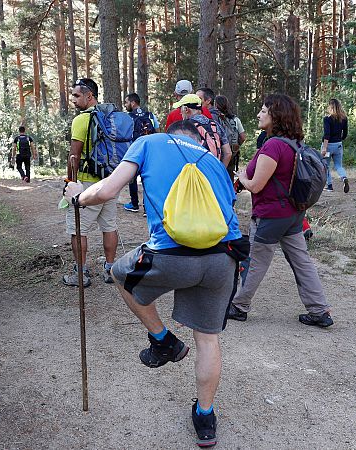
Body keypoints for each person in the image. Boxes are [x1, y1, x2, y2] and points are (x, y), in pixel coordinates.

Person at [64, 120, 243, 448]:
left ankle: (163, 341)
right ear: (196, 138)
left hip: (171, 254)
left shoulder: (150, 142)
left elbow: (106, 190)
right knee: (207, 340)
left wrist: (78, 196)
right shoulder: (213, 162)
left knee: (119, 274)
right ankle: (205, 417)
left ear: (173, 134)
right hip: (223, 259)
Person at [228, 93, 333, 327]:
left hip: (271, 216)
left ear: (275, 116)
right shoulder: (296, 143)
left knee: (255, 261)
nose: (258, 114)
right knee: (302, 261)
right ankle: (319, 310)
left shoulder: (273, 146)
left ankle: (239, 306)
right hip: (294, 214)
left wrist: (242, 177)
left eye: (263, 111)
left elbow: (255, 185)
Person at [63, 78, 119, 287]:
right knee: (109, 226)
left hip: (87, 184)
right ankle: (110, 269)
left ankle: (81, 274)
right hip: (110, 182)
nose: (73, 99)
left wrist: (70, 182)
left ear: (90, 96)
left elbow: (74, 156)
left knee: (78, 229)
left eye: (77, 95)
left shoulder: (82, 120)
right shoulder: (111, 117)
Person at [123, 92, 159, 213]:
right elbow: (157, 131)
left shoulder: (128, 117)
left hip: (135, 151)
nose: (125, 105)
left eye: (126, 102)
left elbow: (125, 135)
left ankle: (134, 204)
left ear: (133, 103)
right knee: (147, 179)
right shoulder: (150, 115)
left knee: (132, 177)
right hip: (150, 151)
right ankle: (146, 208)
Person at [175, 94, 233, 169]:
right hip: (213, 172)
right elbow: (228, 153)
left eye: (180, 109)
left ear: (186, 109)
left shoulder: (185, 127)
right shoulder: (215, 124)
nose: (180, 113)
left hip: (195, 174)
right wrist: (220, 171)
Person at [213, 94, 247, 175]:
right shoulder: (235, 119)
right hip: (232, 151)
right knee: (229, 175)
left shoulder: (214, 118)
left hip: (220, 152)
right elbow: (243, 137)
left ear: (216, 104)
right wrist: (236, 145)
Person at [322, 98, 349, 193]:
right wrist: (340, 139)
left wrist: (324, 148)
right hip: (338, 145)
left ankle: (329, 186)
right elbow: (345, 133)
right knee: (338, 165)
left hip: (328, 145)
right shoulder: (344, 118)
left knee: (326, 165)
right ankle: (344, 177)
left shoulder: (327, 119)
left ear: (330, 107)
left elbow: (327, 135)